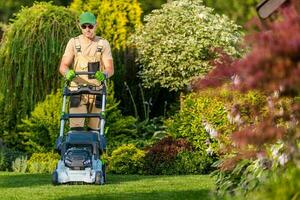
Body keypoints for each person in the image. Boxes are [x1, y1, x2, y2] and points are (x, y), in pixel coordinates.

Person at [59, 12, 114, 131]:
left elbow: (110, 69)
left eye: (90, 26)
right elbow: (63, 66)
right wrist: (67, 72)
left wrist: (104, 74)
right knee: (76, 128)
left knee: (95, 130)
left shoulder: (103, 44)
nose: (87, 29)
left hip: (97, 92)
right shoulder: (74, 43)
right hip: (77, 92)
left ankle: (94, 149)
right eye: (84, 26)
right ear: (80, 26)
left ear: (96, 25)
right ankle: (75, 148)